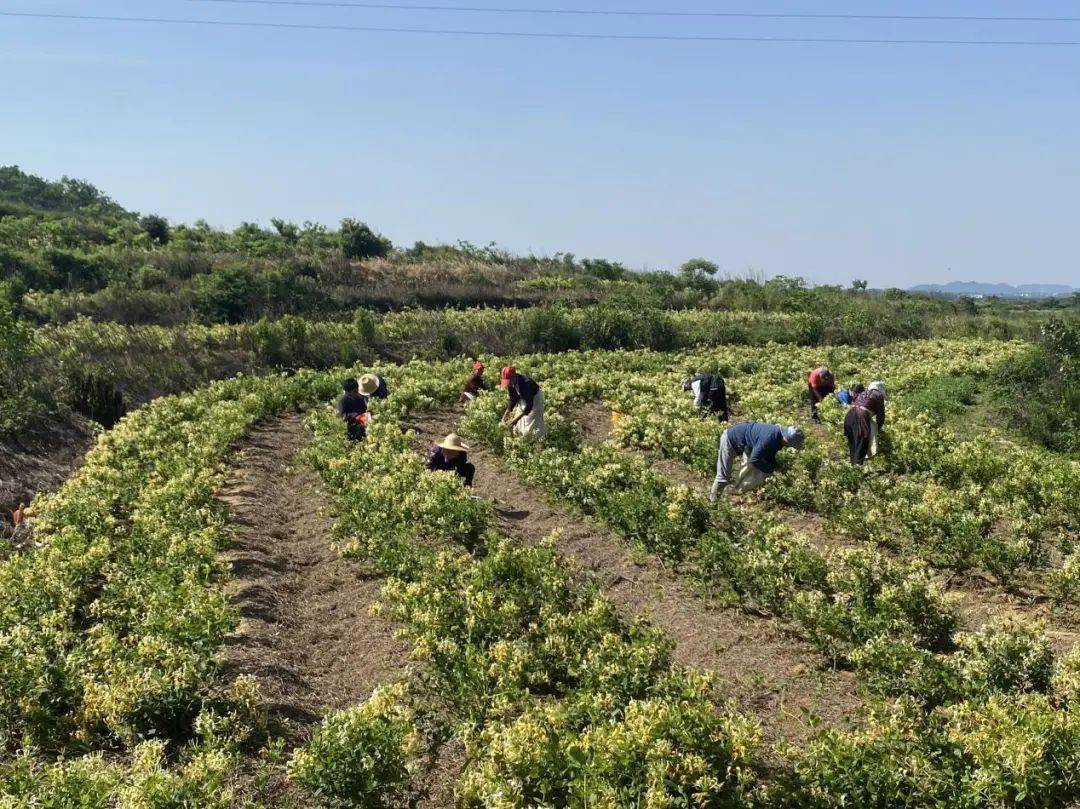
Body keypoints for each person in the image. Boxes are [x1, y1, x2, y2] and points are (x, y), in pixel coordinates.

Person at [711, 421, 805, 501]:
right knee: (723, 477)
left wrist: (778, 468)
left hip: (747, 445)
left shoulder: (778, 437)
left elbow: (768, 456)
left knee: (751, 473)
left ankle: (734, 490)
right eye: (790, 445)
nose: (789, 447)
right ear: (787, 440)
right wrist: (771, 470)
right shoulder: (770, 438)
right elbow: (754, 460)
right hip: (730, 440)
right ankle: (713, 504)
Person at [844, 381, 886, 465]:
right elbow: (880, 416)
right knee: (862, 442)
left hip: (849, 415)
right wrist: (879, 428)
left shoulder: (864, 393)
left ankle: (853, 465)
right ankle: (857, 469)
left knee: (853, 442)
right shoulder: (878, 395)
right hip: (860, 416)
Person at [500, 366, 547, 438]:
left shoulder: (526, 383)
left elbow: (529, 406)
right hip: (524, 397)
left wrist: (514, 421)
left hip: (535, 398)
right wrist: (505, 416)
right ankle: (522, 437)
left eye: (509, 381)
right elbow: (513, 400)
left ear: (514, 376)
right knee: (520, 419)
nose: (508, 384)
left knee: (533, 419)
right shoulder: (511, 384)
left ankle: (537, 439)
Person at [337, 377, 370, 441]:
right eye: (355, 391)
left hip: (363, 419)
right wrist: (355, 416)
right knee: (362, 428)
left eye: (357, 389)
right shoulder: (343, 402)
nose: (357, 391)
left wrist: (367, 411)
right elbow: (342, 417)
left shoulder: (359, 398)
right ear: (348, 392)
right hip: (353, 425)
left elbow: (364, 409)